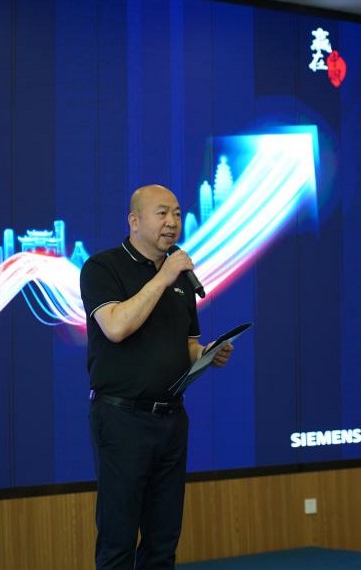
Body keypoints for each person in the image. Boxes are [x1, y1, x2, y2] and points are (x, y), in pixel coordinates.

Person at [80, 184, 233, 570]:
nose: (173, 222)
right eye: (162, 213)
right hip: (122, 419)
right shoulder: (103, 268)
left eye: (177, 213)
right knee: (118, 539)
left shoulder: (181, 277)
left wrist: (207, 353)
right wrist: (163, 277)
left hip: (171, 420)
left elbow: (187, 346)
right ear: (134, 221)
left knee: (163, 541)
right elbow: (116, 327)